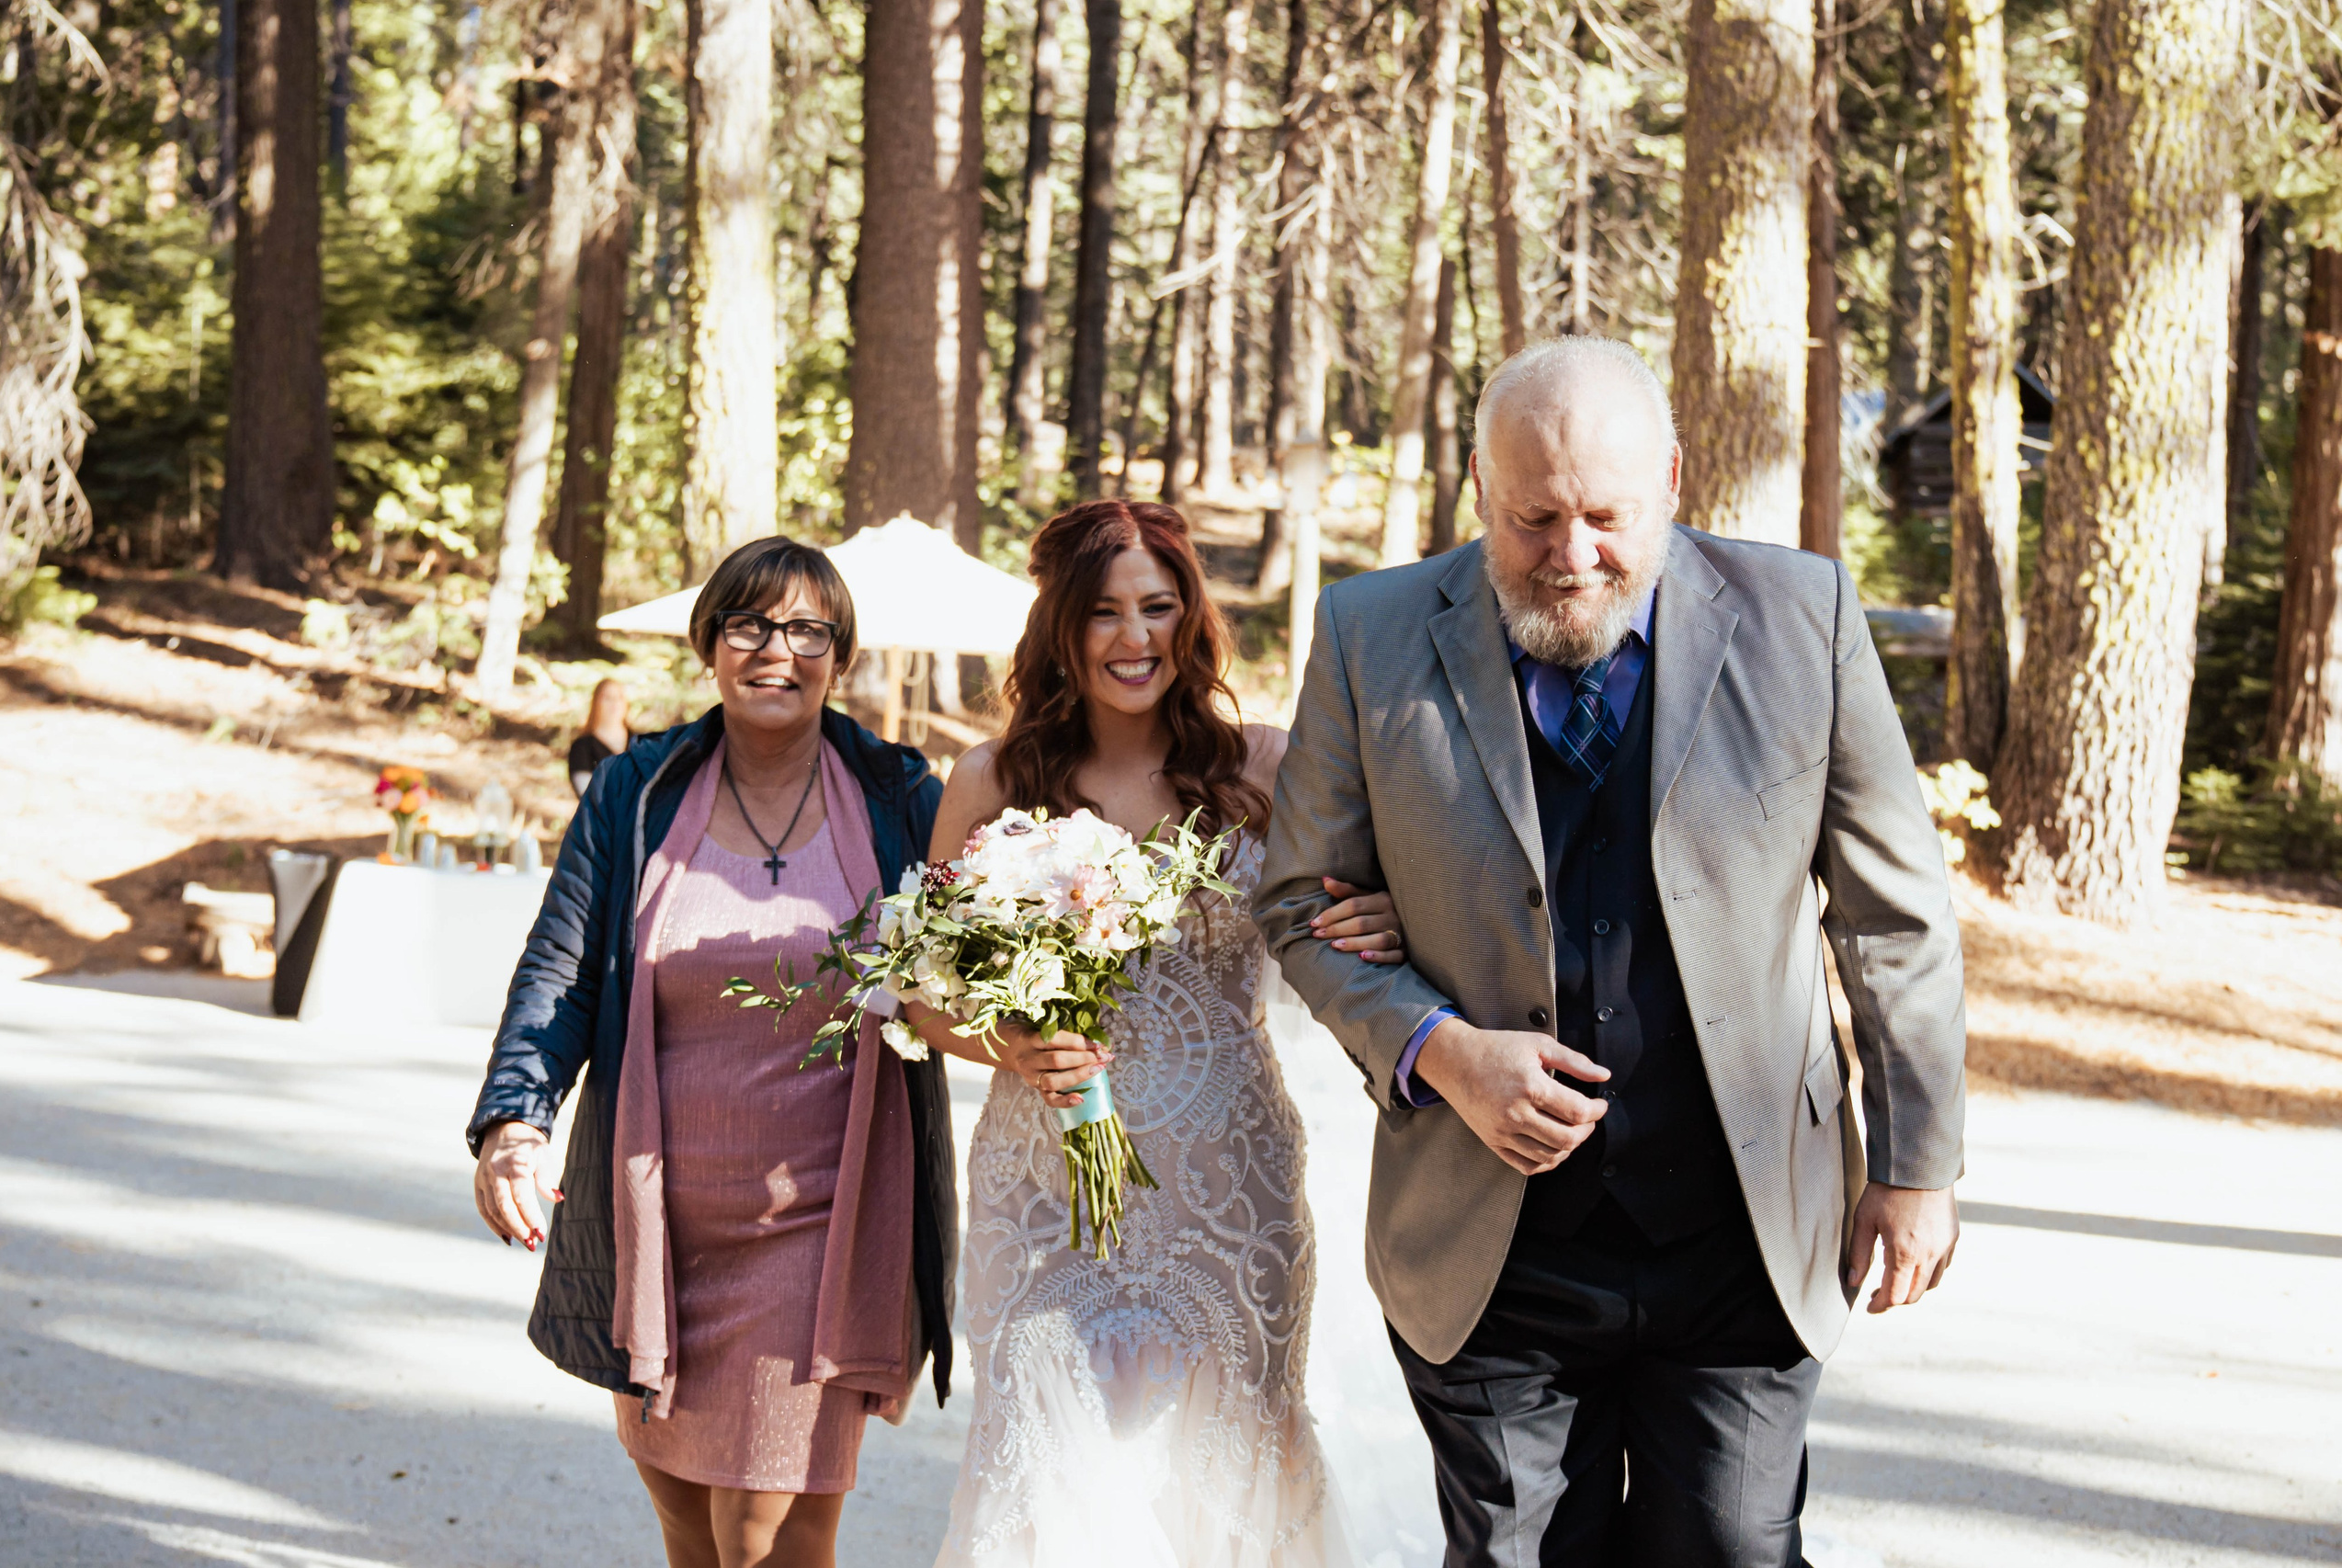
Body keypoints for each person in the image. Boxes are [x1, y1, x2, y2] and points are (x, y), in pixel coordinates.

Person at [1255, 335, 1968, 1566]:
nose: (1573, 554)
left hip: (1741, 1228)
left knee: (1736, 1548)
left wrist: (1915, 1164)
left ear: (1676, 479)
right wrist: (1439, 1047)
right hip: (1489, 1247)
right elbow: (1295, 907)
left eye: (1604, 515)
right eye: (1535, 518)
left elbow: (1891, 913)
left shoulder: (1806, 617)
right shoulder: (1368, 635)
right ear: (1479, 487)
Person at [914, 499, 1409, 1567]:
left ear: (1190, 617)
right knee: (1044, 1463)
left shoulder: (1268, 769)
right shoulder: (990, 782)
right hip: (1042, 1189)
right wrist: (1009, 1044)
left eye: (1157, 605)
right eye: (1103, 611)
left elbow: (1372, 910)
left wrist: (1378, 913)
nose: (1133, 636)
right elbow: (923, 994)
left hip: (1227, 1184)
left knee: (1227, 1469)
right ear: (1060, 626)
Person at [466, 537, 958, 1568]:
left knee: (769, 1534)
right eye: (750, 624)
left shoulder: (899, 797)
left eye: (807, 630)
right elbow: (558, 969)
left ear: (841, 654)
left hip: (823, 1223)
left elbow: (972, 964)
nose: (777, 649)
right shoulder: (636, 794)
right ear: (710, 643)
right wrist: (515, 1122)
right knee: (688, 1520)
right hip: (655, 1216)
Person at [568, 676, 631, 798]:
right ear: (596, 703)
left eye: (619, 697)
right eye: (607, 698)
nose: (614, 703)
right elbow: (589, 796)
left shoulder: (640, 743)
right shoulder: (581, 748)